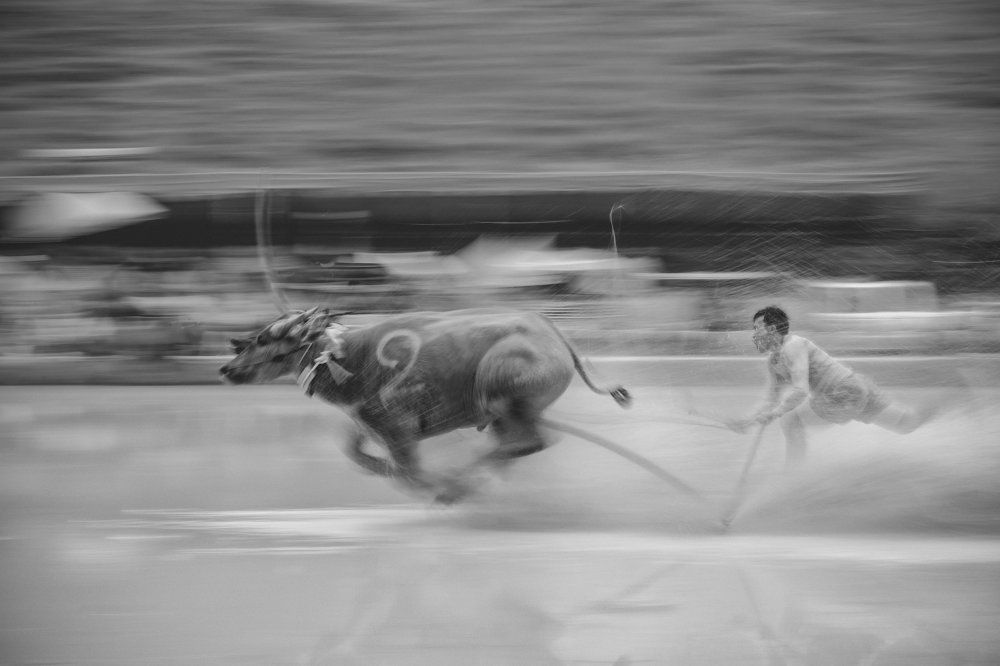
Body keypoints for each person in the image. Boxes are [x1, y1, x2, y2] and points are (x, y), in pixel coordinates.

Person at [729, 305, 936, 466]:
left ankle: (793, 479)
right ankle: (947, 403)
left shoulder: (793, 346)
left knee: (791, 422)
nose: (754, 334)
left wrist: (774, 414)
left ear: (772, 329)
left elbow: (800, 391)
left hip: (843, 393)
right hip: (854, 387)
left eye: (757, 328)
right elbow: (770, 400)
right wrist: (748, 422)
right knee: (906, 424)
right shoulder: (774, 362)